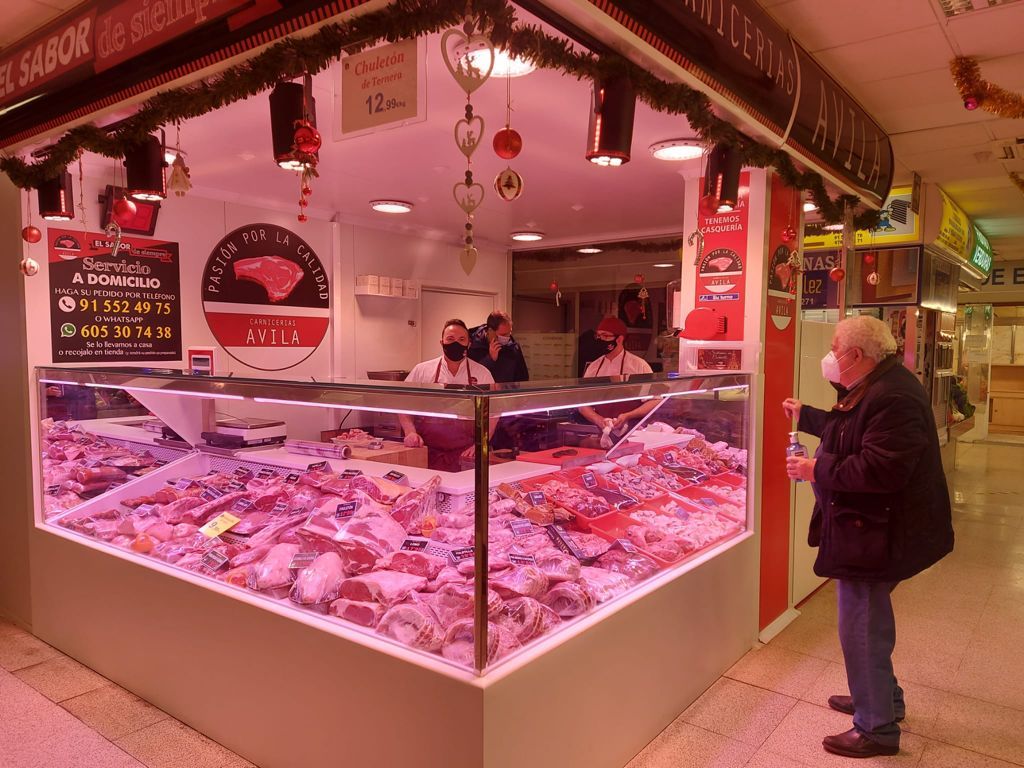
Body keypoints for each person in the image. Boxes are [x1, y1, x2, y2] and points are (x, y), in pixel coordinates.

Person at [783, 315, 953, 759]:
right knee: (866, 621)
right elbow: (851, 429)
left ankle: (876, 727)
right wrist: (807, 416)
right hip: (874, 527)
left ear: (855, 355)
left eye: (834, 348)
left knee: (861, 627)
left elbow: (881, 469)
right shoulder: (877, 384)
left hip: (879, 532)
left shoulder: (892, 395)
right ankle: (881, 698)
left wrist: (815, 468)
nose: (830, 357)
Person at [399, 319, 494, 471]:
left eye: (461, 339)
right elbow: (403, 402)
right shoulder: (422, 370)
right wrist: (410, 432)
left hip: (466, 453)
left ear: (469, 344)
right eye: (450, 339)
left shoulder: (482, 373)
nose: (456, 343)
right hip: (427, 451)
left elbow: (494, 412)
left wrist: (480, 443)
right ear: (441, 342)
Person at [578, 317, 658, 436]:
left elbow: (655, 400)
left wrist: (628, 415)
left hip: (634, 431)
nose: (600, 339)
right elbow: (582, 404)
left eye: (605, 336)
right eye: (598, 336)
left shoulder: (639, 365)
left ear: (619, 339)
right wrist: (598, 419)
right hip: (603, 432)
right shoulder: (593, 367)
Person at [468, 310, 529, 383]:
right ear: (490, 331)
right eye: (503, 335)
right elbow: (472, 377)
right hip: (484, 389)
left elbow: (523, 378)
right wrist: (490, 359)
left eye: (509, 333)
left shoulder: (514, 347)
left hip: (507, 390)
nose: (507, 337)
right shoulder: (473, 345)